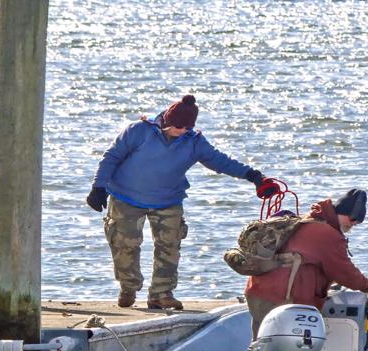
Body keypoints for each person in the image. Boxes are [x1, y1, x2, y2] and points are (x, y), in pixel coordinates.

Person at [88, 94, 266, 311]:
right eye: (178, 126)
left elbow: (220, 161)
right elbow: (111, 157)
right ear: (167, 120)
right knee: (124, 245)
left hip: (168, 200)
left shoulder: (194, 141)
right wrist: (98, 188)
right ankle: (128, 287)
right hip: (126, 197)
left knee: (169, 247)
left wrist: (253, 176)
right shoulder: (139, 131)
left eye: (186, 128)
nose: (181, 131)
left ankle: (161, 294)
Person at [244, 187, 368, 338]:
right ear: (340, 212)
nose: (353, 224)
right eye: (352, 219)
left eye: (357, 223)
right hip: (284, 298)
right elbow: (344, 271)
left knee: (262, 344)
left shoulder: (309, 221)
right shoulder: (327, 234)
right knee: (291, 345)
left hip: (259, 291)